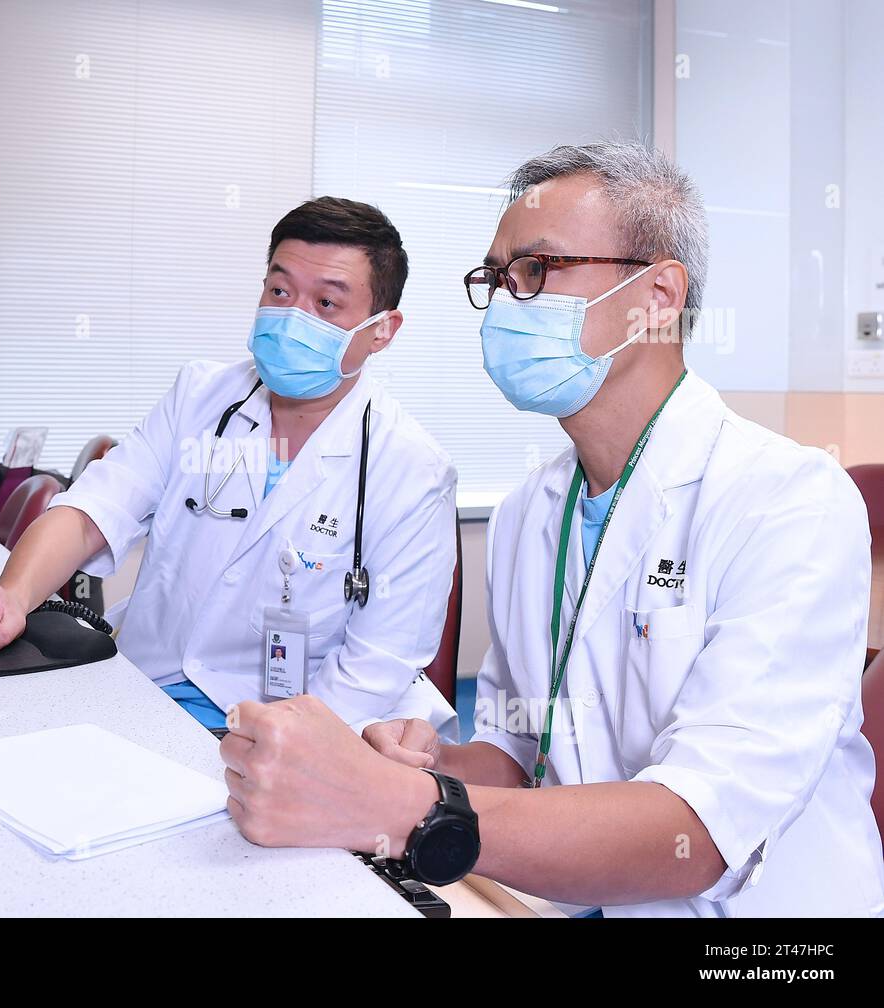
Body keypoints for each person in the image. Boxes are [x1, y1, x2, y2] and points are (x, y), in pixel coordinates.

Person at [219, 142, 884, 917]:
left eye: (536, 271)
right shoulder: (532, 511)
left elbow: (697, 833)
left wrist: (399, 804)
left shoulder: (790, 502)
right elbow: (516, 752)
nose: (506, 303)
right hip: (570, 900)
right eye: (497, 278)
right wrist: (432, 766)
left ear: (659, 295)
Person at [0, 197, 458, 735]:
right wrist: (13, 593)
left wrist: (272, 753)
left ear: (383, 329)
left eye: (326, 304)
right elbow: (90, 511)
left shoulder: (412, 469)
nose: (293, 318)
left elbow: (375, 666)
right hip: (142, 696)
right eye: (279, 291)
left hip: (294, 736)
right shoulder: (199, 396)